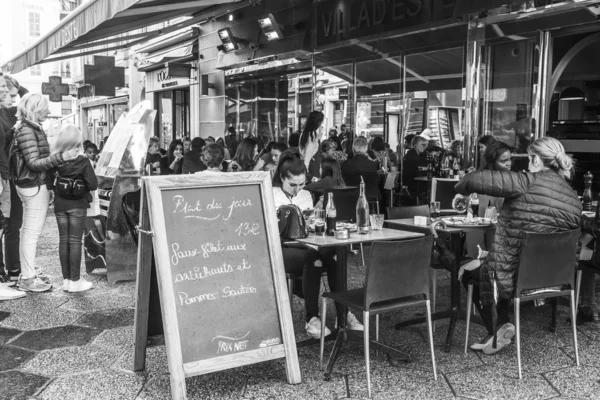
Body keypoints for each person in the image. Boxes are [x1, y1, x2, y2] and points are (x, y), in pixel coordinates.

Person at [455, 137, 581, 355]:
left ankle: (499, 327)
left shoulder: (526, 181)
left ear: (535, 159)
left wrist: (462, 191)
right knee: (496, 265)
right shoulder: (573, 199)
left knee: (472, 272)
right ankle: (500, 328)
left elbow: (474, 179)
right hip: (554, 280)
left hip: (514, 277)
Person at [272, 150, 363, 339]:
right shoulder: (269, 194)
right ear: (282, 178)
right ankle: (312, 317)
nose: (298, 189)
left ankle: (343, 313)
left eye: (301, 184)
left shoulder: (305, 195)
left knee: (335, 253)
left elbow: (309, 225)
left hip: (308, 244)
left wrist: (317, 214)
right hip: (282, 247)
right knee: (312, 258)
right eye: (293, 185)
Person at [14, 93, 79, 292]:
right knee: (31, 233)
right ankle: (27, 278)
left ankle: (27, 272)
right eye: (45, 108)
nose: (49, 111)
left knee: (28, 231)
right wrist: (61, 157)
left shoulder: (29, 128)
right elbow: (34, 163)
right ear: (35, 108)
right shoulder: (27, 130)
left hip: (34, 184)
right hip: (33, 185)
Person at [46, 125, 97, 292]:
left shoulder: (56, 159)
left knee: (64, 240)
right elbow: (93, 184)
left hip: (60, 204)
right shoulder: (82, 161)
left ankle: (67, 280)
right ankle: (75, 281)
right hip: (77, 204)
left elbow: (48, 182)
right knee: (75, 241)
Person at [401, 135, 429, 204]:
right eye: (422, 145)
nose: (425, 147)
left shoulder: (417, 154)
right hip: (412, 185)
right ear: (415, 145)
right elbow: (416, 168)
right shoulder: (411, 155)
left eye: (426, 145)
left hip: (414, 182)